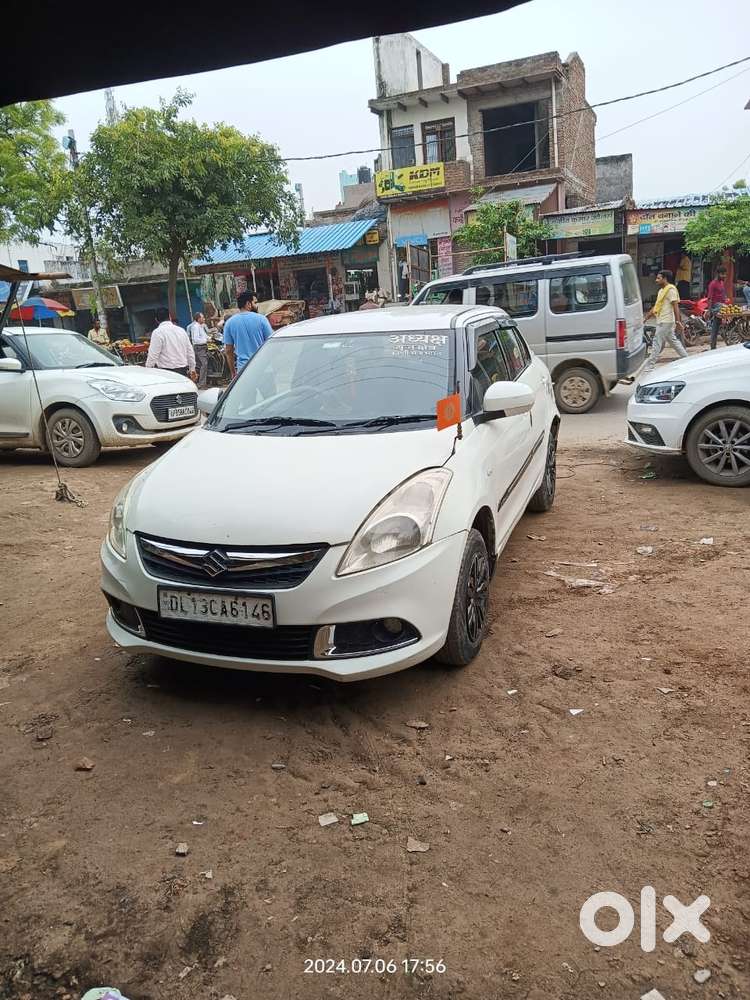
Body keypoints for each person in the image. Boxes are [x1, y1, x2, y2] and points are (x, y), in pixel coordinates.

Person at [641, 269, 688, 375]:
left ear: (665, 279)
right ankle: (686, 358)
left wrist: (678, 321)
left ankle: (650, 365)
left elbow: (675, 306)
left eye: (659, 278)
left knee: (656, 341)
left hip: (666, 321)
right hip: (661, 319)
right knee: (673, 341)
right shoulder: (661, 291)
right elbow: (656, 307)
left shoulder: (671, 290)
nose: (656, 280)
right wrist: (646, 318)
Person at [222, 290, 273, 378]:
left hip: (243, 371)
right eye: (255, 302)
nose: (257, 306)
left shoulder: (229, 323)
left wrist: (233, 372)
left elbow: (229, 350)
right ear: (248, 304)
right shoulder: (261, 319)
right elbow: (271, 343)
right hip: (264, 368)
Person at [145, 307, 196, 379]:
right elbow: (190, 351)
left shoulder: (157, 333)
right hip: (183, 371)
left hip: (166, 373)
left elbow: (153, 355)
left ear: (156, 320)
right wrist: (192, 369)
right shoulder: (181, 330)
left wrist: (148, 371)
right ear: (170, 316)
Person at [706, 267, 728, 350]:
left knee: (716, 327)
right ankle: (713, 346)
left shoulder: (721, 283)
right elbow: (709, 298)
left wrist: (725, 300)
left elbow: (723, 295)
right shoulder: (713, 284)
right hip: (716, 306)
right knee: (715, 327)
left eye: (725, 274)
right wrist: (709, 310)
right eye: (723, 274)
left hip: (721, 306)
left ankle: (713, 346)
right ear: (718, 274)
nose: (724, 276)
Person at [187, 311, 210, 388]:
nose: (204, 319)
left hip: (202, 347)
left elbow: (204, 336)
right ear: (198, 319)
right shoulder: (196, 327)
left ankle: (197, 382)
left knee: (199, 365)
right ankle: (202, 384)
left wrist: (209, 338)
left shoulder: (200, 326)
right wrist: (206, 340)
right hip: (199, 347)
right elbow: (196, 339)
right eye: (202, 317)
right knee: (204, 364)